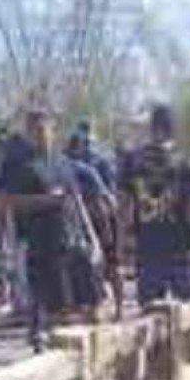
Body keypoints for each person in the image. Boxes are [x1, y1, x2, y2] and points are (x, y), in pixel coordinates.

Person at [0, 109, 103, 350]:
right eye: (34, 130)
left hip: (70, 240)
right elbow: (6, 202)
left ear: (52, 130)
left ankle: (77, 353)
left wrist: (92, 237)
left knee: (84, 302)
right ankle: (43, 345)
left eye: (44, 129)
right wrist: (44, 200)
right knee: (46, 305)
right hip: (37, 243)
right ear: (27, 133)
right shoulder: (19, 166)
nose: (40, 134)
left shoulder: (63, 163)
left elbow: (76, 199)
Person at [123, 105, 190, 307]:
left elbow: (124, 208)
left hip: (148, 251)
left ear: (151, 127)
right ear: (173, 129)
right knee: (189, 316)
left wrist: (122, 245)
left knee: (149, 315)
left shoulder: (133, 162)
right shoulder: (185, 163)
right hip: (181, 251)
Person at [66, 131, 124, 319]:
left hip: (100, 219)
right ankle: (107, 307)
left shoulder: (86, 169)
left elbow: (102, 200)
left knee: (108, 264)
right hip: (91, 221)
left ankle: (115, 308)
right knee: (99, 265)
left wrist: (106, 231)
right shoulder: (79, 168)